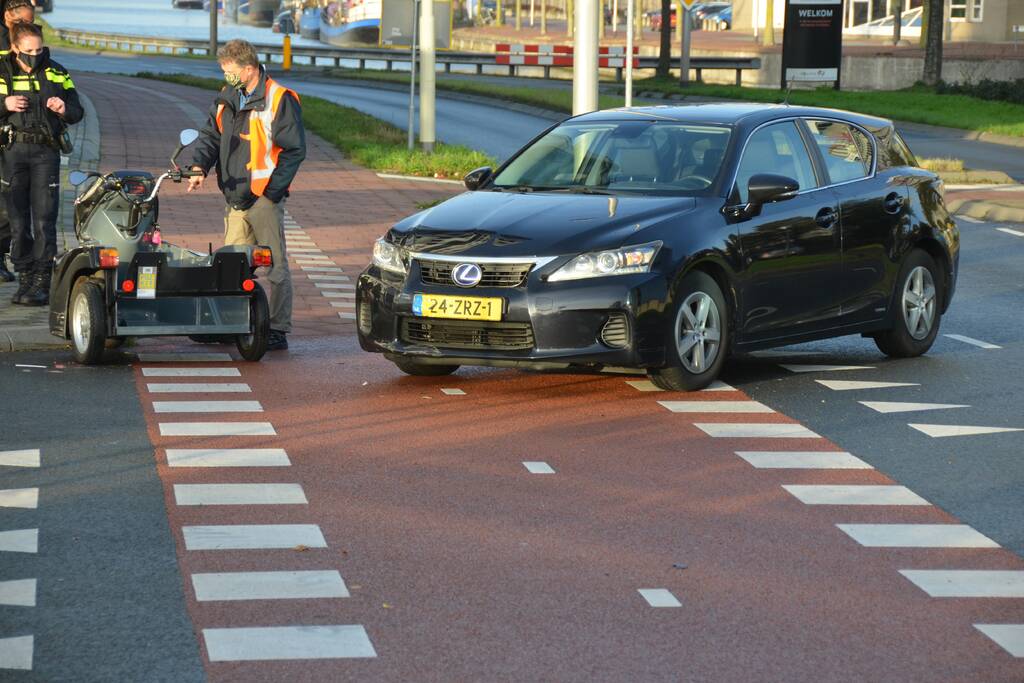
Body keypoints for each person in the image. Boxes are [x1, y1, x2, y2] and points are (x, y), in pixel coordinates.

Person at [188, 39, 306, 351]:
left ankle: (277, 328)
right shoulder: (227, 96)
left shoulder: (279, 98)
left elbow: (294, 150)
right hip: (235, 196)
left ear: (250, 69)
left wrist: (272, 192)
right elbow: (210, 136)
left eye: (230, 70)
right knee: (232, 265)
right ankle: (231, 323)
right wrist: (199, 167)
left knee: (275, 267)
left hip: (265, 197)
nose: (226, 76)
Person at [0, 19, 82, 305]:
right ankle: (25, 277)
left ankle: (42, 281)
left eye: (39, 50)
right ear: (15, 48)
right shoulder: (2, 71)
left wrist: (64, 108)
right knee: (17, 218)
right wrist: (4, 104)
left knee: (45, 218)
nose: (35, 55)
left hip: (45, 152)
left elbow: (77, 110)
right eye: (29, 51)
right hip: (13, 151)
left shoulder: (56, 72)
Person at [0, 0, 35, 283]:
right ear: (7, 15)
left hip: (14, 133)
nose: (25, 28)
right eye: (21, 22)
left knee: (10, 200)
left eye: (30, 23)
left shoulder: (30, 45)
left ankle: (5, 258)